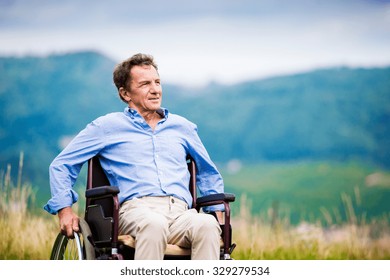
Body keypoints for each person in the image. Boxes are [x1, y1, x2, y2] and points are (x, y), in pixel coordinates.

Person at [44, 53, 225, 260]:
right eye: (145, 84)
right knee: (153, 224)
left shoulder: (183, 127)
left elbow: (208, 172)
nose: (155, 89)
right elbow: (62, 164)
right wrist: (64, 209)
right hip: (135, 211)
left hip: (180, 212)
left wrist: (217, 210)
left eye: (157, 82)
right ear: (125, 94)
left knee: (207, 225)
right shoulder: (107, 126)